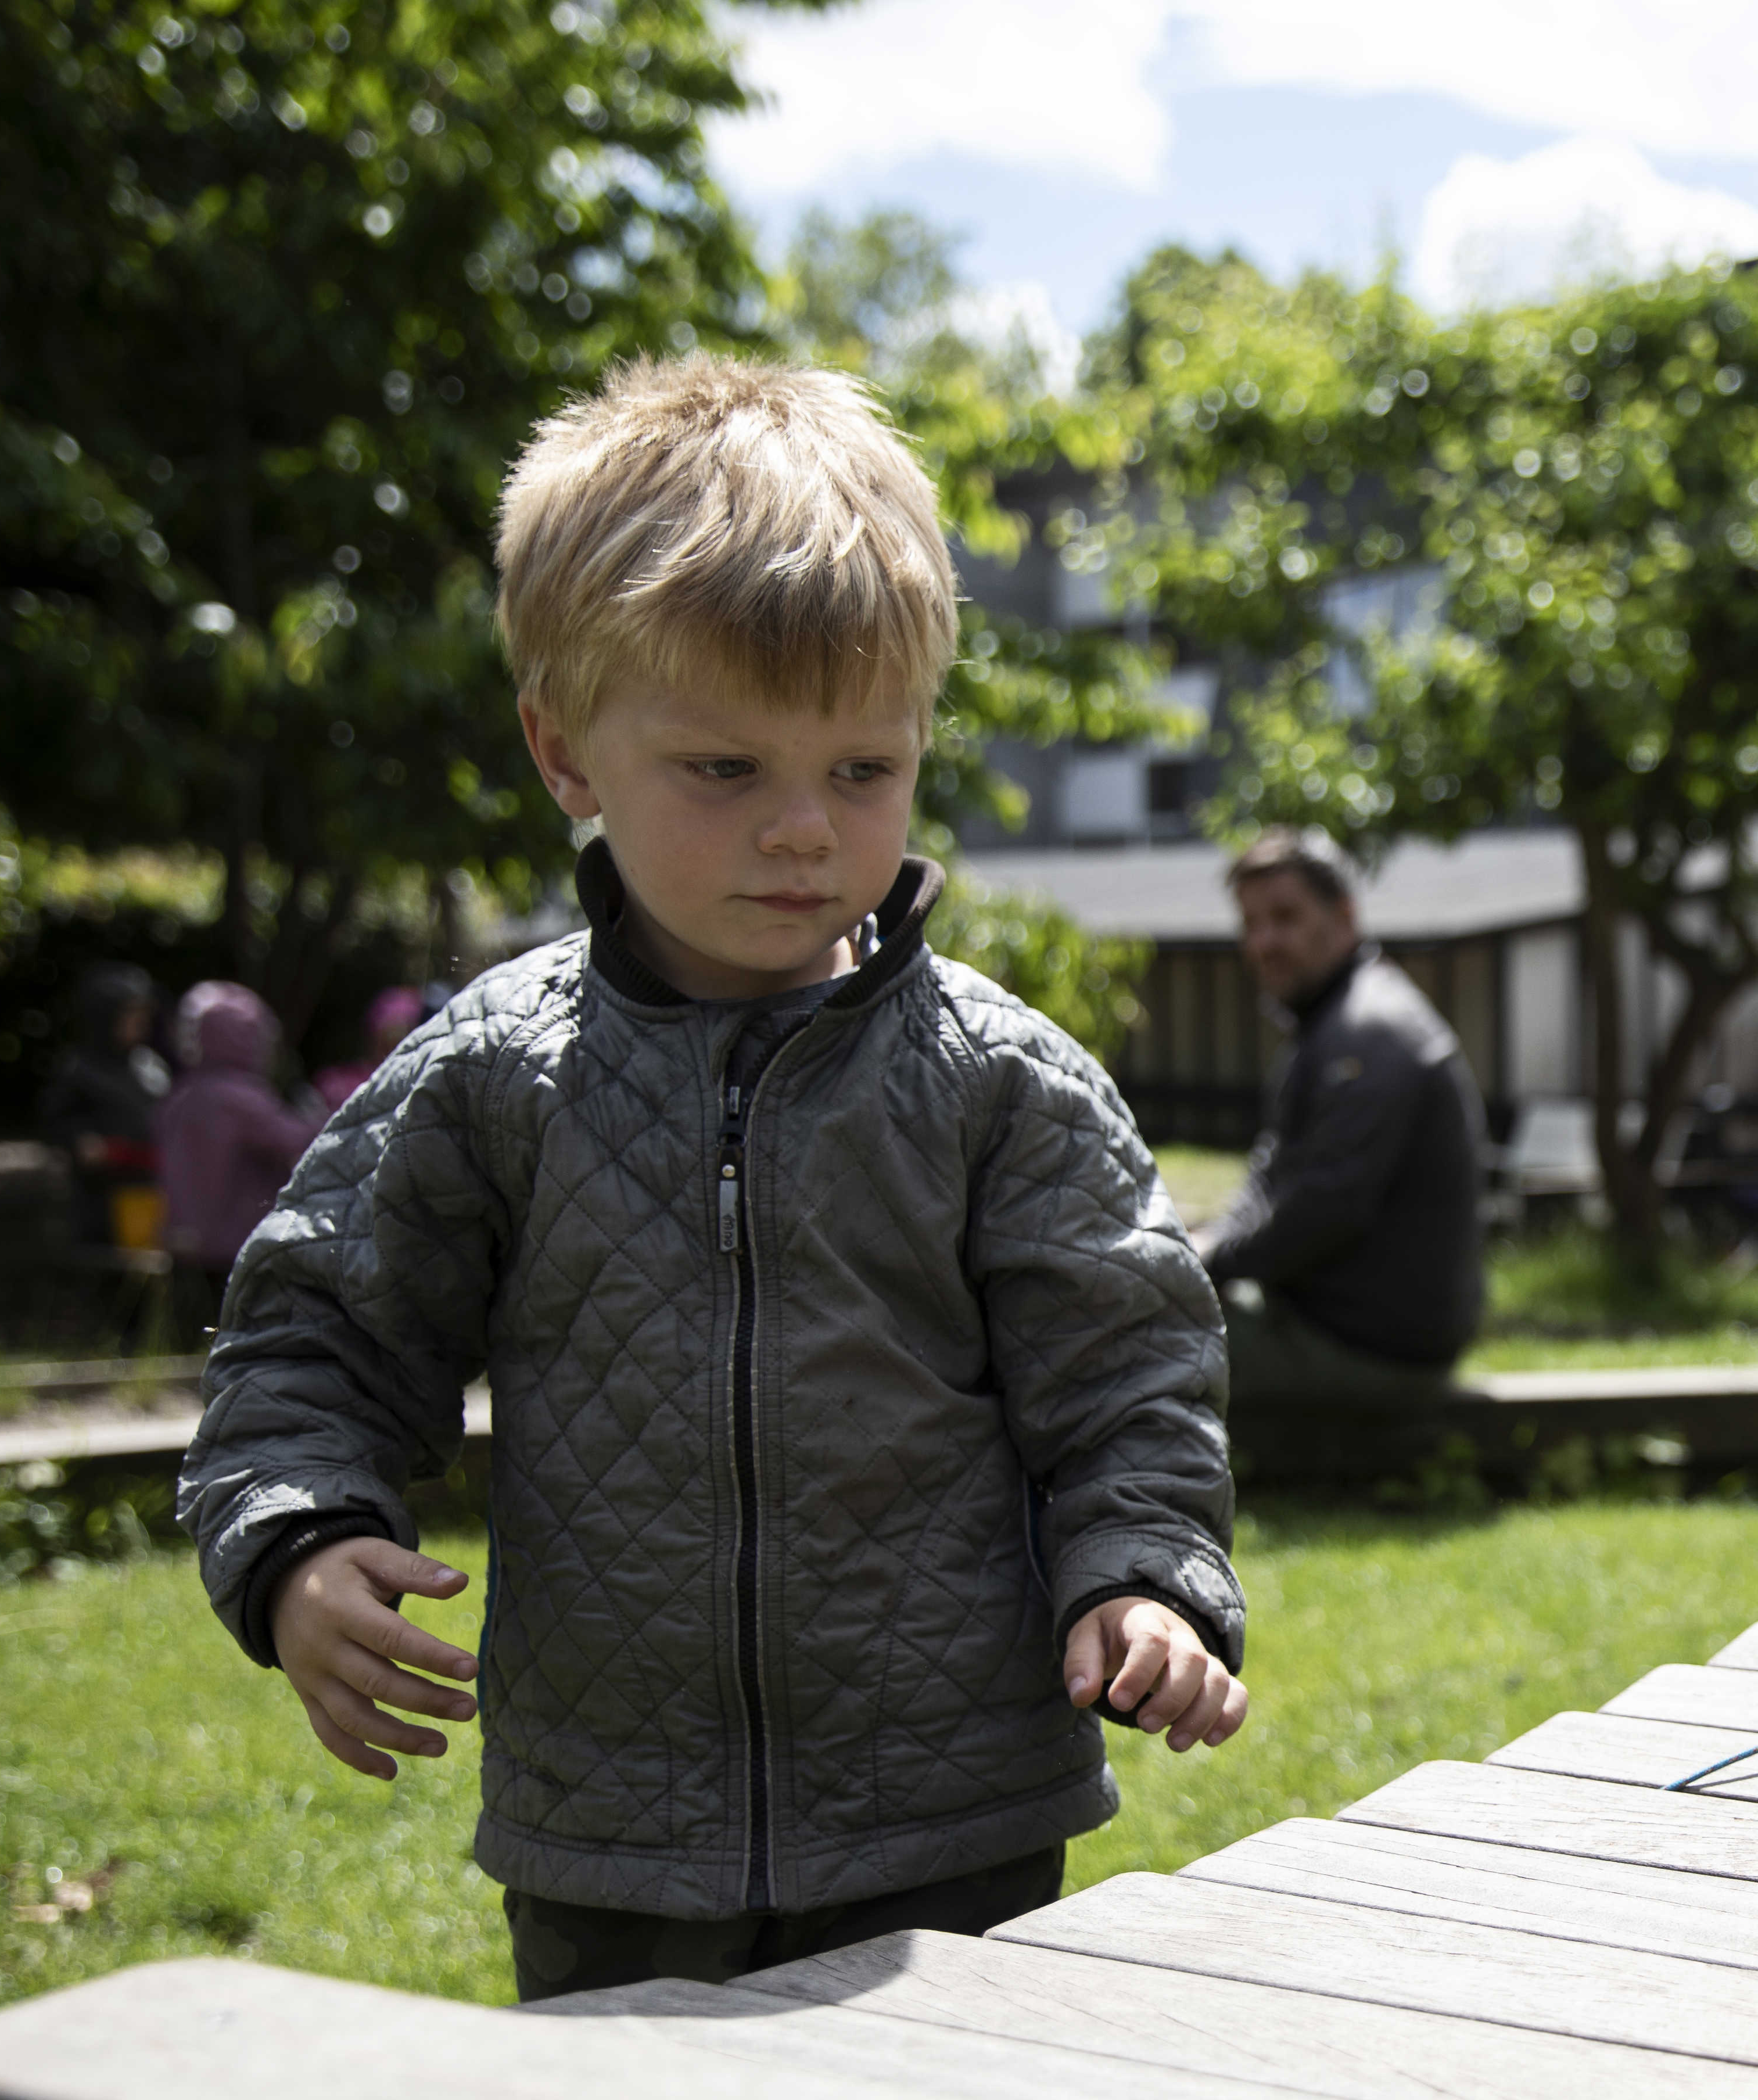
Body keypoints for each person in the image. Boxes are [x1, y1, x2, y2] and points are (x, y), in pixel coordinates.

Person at [177, 353, 1248, 2003]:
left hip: (951, 1817)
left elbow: (1128, 1382)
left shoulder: (1001, 1086)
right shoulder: (496, 1072)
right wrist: (299, 1541)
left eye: (862, 771)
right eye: (725, 771)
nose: (804, 831)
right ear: (567, 755)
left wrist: (1145, 1577)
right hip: (614, 1830)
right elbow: (314, 1337)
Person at [1202, 828, 1488, 1408]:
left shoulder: (1369, 1032)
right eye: (1251, 924)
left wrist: (1208, 1262)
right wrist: (1210, 1247)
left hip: (1374, 1350)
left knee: (1141, 1344)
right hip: (1346, 1329)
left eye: (1285, 917)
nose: (1264, 942)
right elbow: (1271, 1174)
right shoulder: (1332, 1024)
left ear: (1344, 917)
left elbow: (1323, 1208)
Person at [153, 981, 321, 1305]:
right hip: (234, 1238)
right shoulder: (245, 1099)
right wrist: (320, 1116)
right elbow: (295, 1141)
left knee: (188, 1318)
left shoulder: (180, 1095)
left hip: (183, 1235)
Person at [37, 964, 169, 1251]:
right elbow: (56, 1124)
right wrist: (80, 1141)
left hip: (148, 1188)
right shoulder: (79, 1070)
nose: (141, 1021)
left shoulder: (151, 1067)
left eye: (144, 1013)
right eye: (132, 1013)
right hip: (99, 1195)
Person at [311, 982, 440, 1114]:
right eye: (388, 1030)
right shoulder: (335, 1084)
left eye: (404, 1031)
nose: (394, 1038)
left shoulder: (420, 1095)